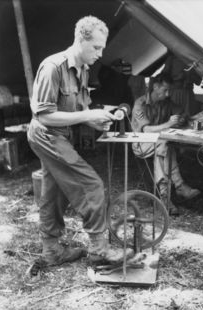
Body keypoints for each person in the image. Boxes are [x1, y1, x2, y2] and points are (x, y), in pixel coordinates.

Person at [27, 15, 132, 266]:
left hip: (61, 135)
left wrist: (95, 120)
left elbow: (80, 108)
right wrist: (86, 115)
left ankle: (51, 251)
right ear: (80, 41)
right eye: (96, 47)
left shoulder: (84, 69)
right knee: (91, 185)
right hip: (45, 135)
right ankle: (98, 249)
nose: (100, 53)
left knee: (53, 193)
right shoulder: (53, 67)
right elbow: (44, 115)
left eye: (102, 48)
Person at [131, 73, 201, 215]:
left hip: (159, 145)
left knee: (164, 146)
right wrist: (169, 123)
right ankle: (179, 187)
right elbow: (147, 130)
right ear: (155, 87)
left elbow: (182, 113)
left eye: (169, 91)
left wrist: (180, 119)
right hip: (141, 144)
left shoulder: (166, 102)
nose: (168, 94)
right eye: (165, 90)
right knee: (164, 144)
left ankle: (165, 197)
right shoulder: (140, 104)